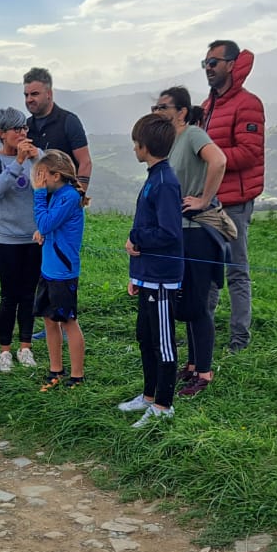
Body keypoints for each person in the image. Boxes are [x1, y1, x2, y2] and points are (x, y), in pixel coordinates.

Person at [153, 86, 227, 395]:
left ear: (181, 111)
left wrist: (204, 199)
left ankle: (205, 374)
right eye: (156, 107)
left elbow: (219, 160)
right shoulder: (171, 141)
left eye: (164, 107)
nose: (158, 112)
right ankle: (194, 365)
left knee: (198, 305)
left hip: (198, 231)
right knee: (187, 300)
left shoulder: (193, 134)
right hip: (180, 231)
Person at [200, 41, 266, 352]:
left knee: (237, 272)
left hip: (236, 203)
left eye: (214, 62)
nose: (209, 68)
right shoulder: (207, 105)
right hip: (210, 200)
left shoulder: (248, 104)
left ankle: (240, 340)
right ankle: (206, 333)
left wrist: (210, 157)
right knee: (210, 272)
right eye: (206, 62)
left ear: (231, 64)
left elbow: (250, 153)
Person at [119, 113, 184, 428]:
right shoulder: (154, 176)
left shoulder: (166, 182)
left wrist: (137, 240)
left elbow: (169, 233)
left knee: (163, 342)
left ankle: (164, 405)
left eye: (135, 143)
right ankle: (148, 395)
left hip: (161, 279)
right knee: (145, 337)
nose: (133, 148)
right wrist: (136, 273)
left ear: (145, 146)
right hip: (147, 275)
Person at [0, 107, 40, 372]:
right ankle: (5, 350)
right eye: (16, 129)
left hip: (33, 238)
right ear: (1, 133)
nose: (22, 133)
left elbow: (51, 184)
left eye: (24, 128)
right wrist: (17, 163)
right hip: (7, 240)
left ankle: (25, 347)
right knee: (9, 296)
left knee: (29, 295)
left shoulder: (34, 158)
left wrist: (36, 159)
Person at [31, 149, 86, 391]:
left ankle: (77, 375)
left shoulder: (69, 197)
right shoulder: (57, 196)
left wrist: (39, 194)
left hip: (63, 272)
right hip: (49, 269)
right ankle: (56, 369)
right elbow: (48, 224)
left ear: (55, 176)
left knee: (67, 322)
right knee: (49, 320)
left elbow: (46, 221)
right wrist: (42, 231)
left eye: (42, 175)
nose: (39, 181)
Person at [22, 67, 91, 190]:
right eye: (26, 95)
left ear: (49, 94)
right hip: (34, 203)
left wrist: (77, 198)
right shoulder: (25, 127)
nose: (29, 100)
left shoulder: (69, 121)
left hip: (63, 201)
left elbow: (85, 163)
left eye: (34, 94)